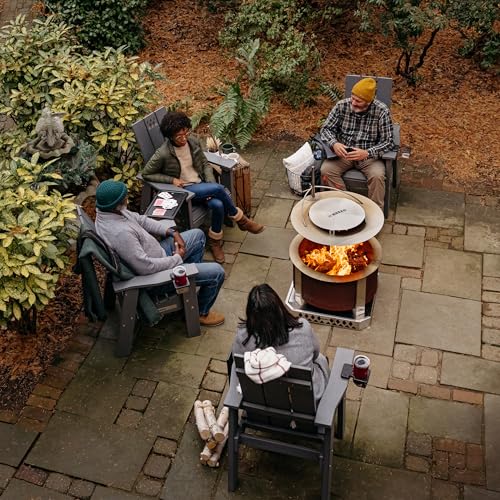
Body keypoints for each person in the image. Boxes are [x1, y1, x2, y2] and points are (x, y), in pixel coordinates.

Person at [94, 179, 226, 327]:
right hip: (155, 277)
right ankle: (200, 312)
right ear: (116, 205)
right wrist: (177, 258)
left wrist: (171, 232)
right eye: (124, 197)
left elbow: (141, 220)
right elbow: (145, 267)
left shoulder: (109, 212)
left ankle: (188, 288)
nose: (127, 198)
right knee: (217, 272)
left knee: (198, 235)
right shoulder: (121, 234)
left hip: (160, 255)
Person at [141, 111, 264, 264]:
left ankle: (215, 242)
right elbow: (146, 173)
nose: (184, 138)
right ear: (170, 137)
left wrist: (210, 184)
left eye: (186, 133)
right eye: (179, 136)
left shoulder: (193, 142)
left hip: (201, 185)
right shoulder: (163, 153)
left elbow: (205, 164)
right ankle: (241, 220)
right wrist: (171, 179)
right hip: (185, 191)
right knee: (219, 189)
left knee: (218, 204)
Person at [232, 284, 330, 402]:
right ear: (279, 309)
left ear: (250, 314)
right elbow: (315, 354)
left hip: (262, 400)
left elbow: (237, 362)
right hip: (304, 402)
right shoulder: (303, 329)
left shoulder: (242, 336)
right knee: (320, 359)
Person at [319, 77, 394, 211]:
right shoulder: (341, 106)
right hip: (344, 153)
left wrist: (367, 153)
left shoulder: (382, 111)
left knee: (377, 176)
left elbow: (388, 141)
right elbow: (326, 129)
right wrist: (334, 144)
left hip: (368, 156)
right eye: (352, 98)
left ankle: (374, 212)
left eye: (358, 101)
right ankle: (345, 206)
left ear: (369, 101)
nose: (353, 103)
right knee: (326, 170)